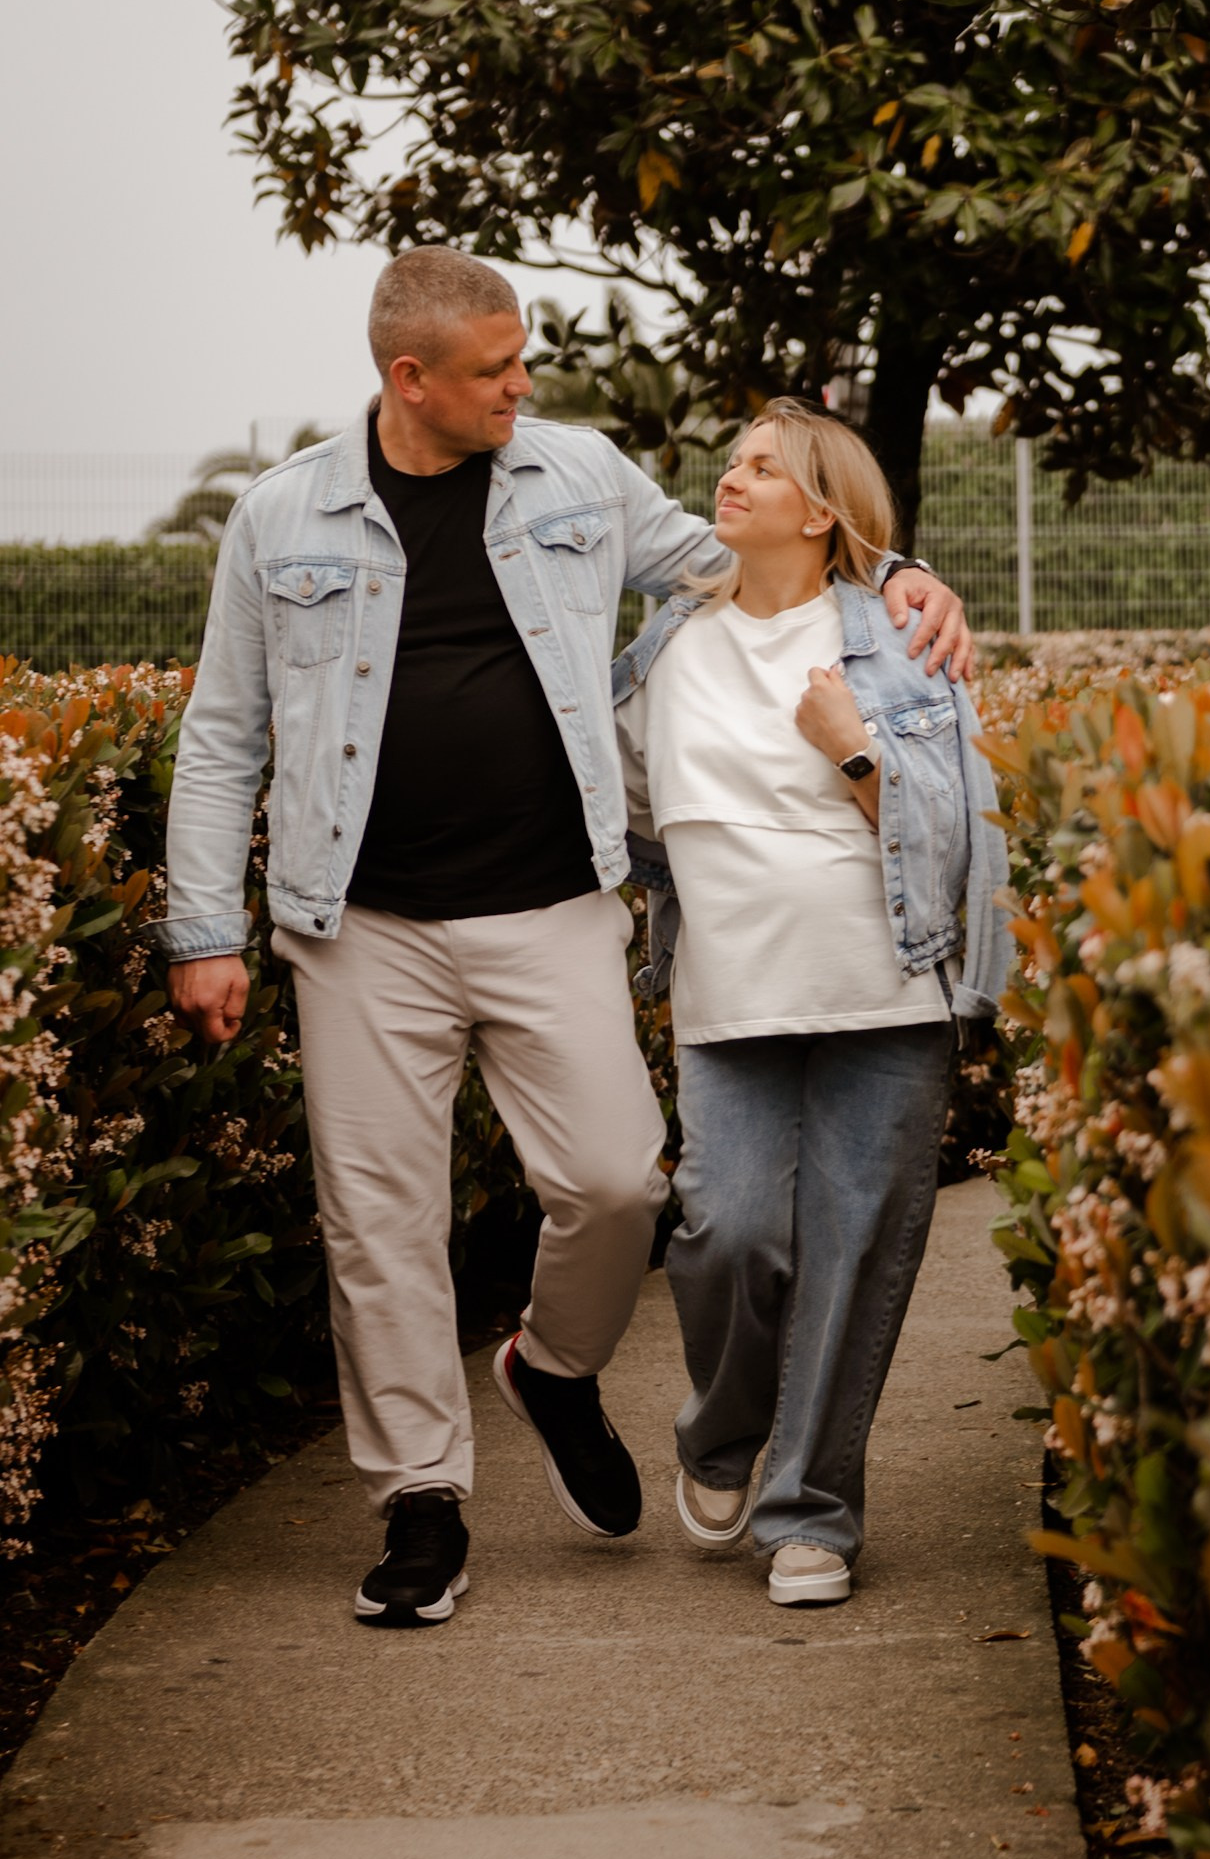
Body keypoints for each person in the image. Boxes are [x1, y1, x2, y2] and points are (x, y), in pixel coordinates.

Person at [159, 250, 971, 1628]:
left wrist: (905, 576)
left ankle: (555, 1366)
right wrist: (201, 928)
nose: (520, 386)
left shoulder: (578, 476)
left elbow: (751, 555)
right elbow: (224, 729)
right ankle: (422, 1507)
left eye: (521, 360)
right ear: (409, 378)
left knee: (619, 1188)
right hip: (357, 926)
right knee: (382, 1228)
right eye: (493, 370)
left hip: (552, 905)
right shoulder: (282, 514)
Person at [613, 399, 1009, 1606]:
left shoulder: (893, 644)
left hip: (882, 989)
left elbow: (953, 844)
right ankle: (724, 1434)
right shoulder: (670, 641)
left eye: (761, 468)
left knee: (854, 1258)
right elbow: (618, 808)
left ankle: (812, 1516)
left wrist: (855, 753)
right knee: (723, 1232)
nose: (727, 481)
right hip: (727, 993)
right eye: (728, 462)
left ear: (822, 509)